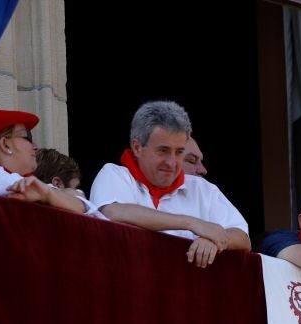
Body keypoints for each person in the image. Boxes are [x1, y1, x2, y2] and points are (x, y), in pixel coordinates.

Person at [89, 101, 250, 268]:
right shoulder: (114, 174)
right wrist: (193, 224)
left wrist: (213, 240)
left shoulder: (203, 189)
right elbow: (114, 211)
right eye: (163, 150)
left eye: (179, 152)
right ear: (137, 148)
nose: (172, 162)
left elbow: (242, 237)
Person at [0, 109, 92, 213]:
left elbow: (86, 207)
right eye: (27, 137)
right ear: (5, 144)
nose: (35, 146)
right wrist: (55, 194)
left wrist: (52, 194)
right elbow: (86, 208)